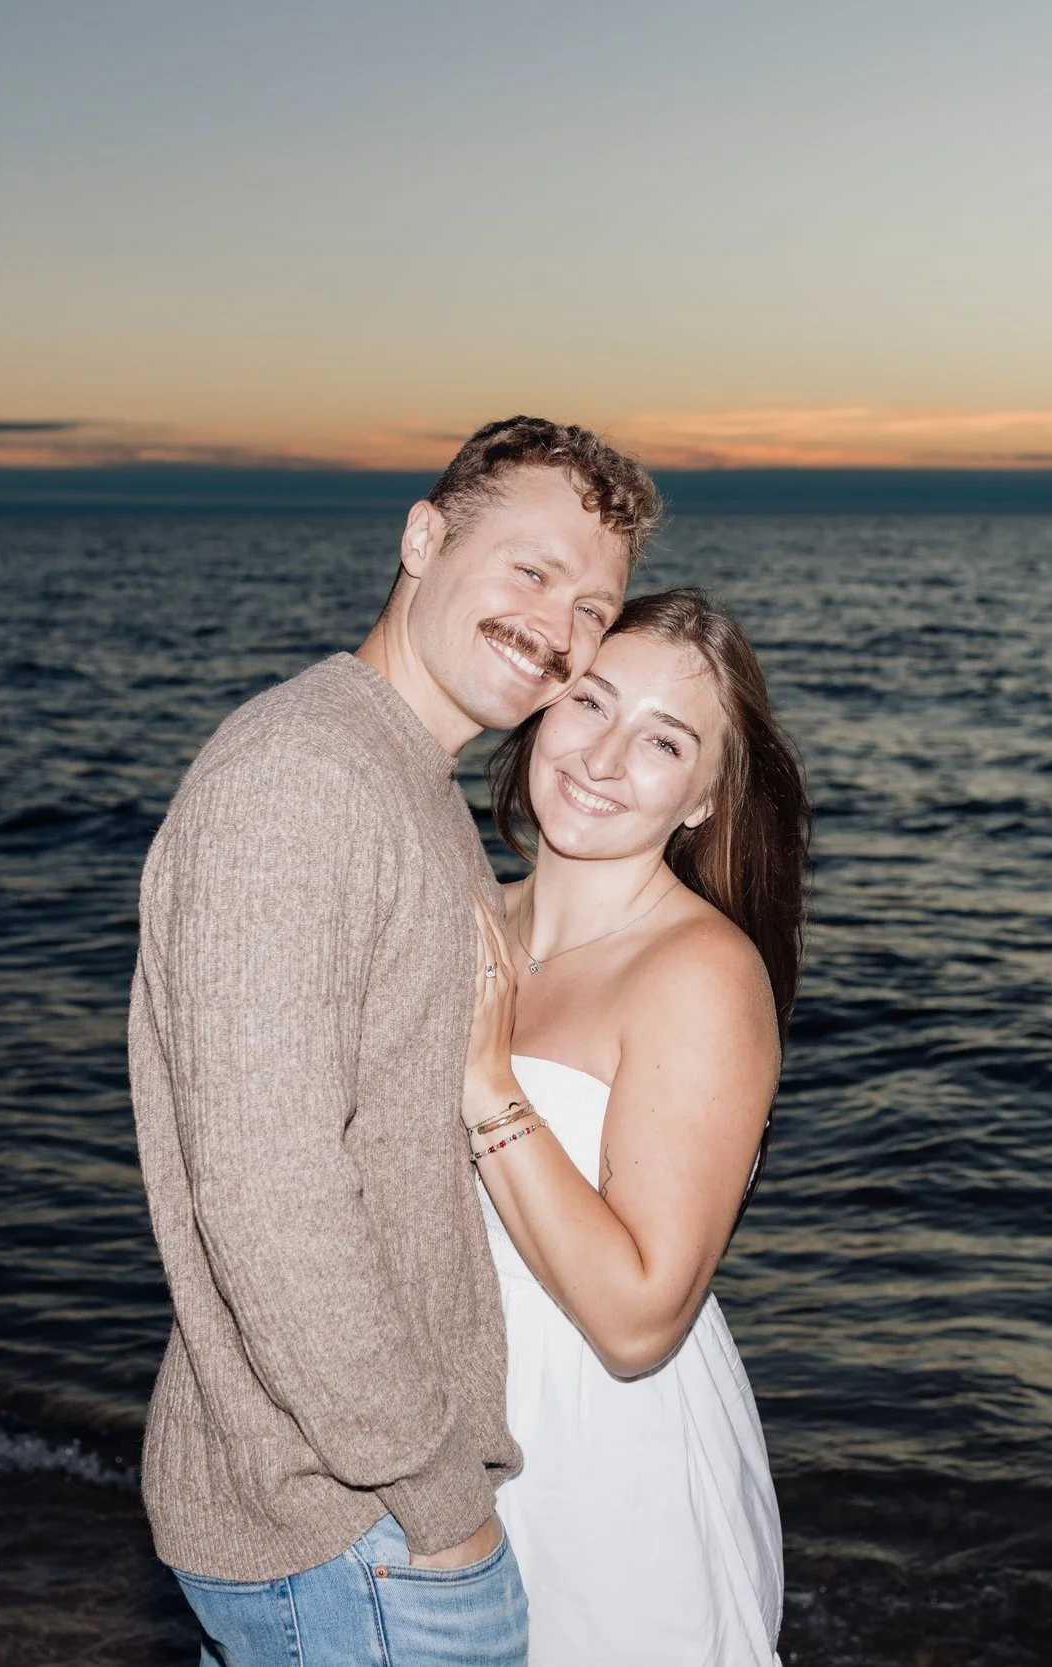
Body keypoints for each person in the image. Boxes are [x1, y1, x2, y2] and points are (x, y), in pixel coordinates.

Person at [126, 416, 659, 1666]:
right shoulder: (301, 778)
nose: (557, 626)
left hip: (354, 1519)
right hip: (350, 1528)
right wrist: (435, 1495)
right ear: (422, 538)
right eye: (530, 569)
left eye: (591, 606)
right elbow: (264, 1192)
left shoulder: (402, 775)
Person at [465, 587, 809, 1666]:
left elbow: (638, 1322)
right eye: (590, 702)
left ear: (705, 798)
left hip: (602, 1467)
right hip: (440, 1445)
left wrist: (484, 1083)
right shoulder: (464, 913)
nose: (603, 758)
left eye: (663, 741)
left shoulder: (700, 973)